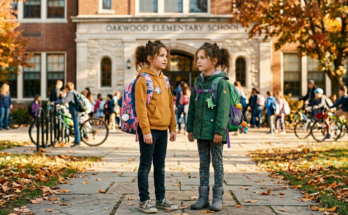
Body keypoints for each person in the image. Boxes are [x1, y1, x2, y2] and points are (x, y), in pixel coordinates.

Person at [134, 40, 177, 213]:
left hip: (163, 130)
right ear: (150, 58)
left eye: (166, 56)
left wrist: (172, 127)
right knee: (145, 165)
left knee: (160, 166)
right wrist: (145, 130)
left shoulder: (165, 80)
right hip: (149, 131)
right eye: (161, 55)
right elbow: (141, 108)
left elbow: (169, 105)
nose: (165, 59)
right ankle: (144, 200)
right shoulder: (143, 80)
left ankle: (161, 199)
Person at [187, 42, 231, 212]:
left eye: (202, 58)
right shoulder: (198, 82)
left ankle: (218, 197)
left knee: (217, 164)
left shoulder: (222, 83)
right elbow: (192, 107)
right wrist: (190, 128)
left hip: (216, 133)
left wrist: (219, 131)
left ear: (213, 61)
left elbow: (223, 109)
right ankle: (203, 198)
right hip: (201, 132)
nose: (198, 61)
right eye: (197, 58)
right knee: (203, 164)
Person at [50, 82, 81, 147]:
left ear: (67, 88)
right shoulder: (74, 92)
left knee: (75, 126)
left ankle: (77, 141)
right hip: (75, 111)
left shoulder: (70, 94)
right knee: (75, 126)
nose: (65, 89)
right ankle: (77, 140)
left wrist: (55, 102)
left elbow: (65, 100)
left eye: (65, 88)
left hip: (75, 111)